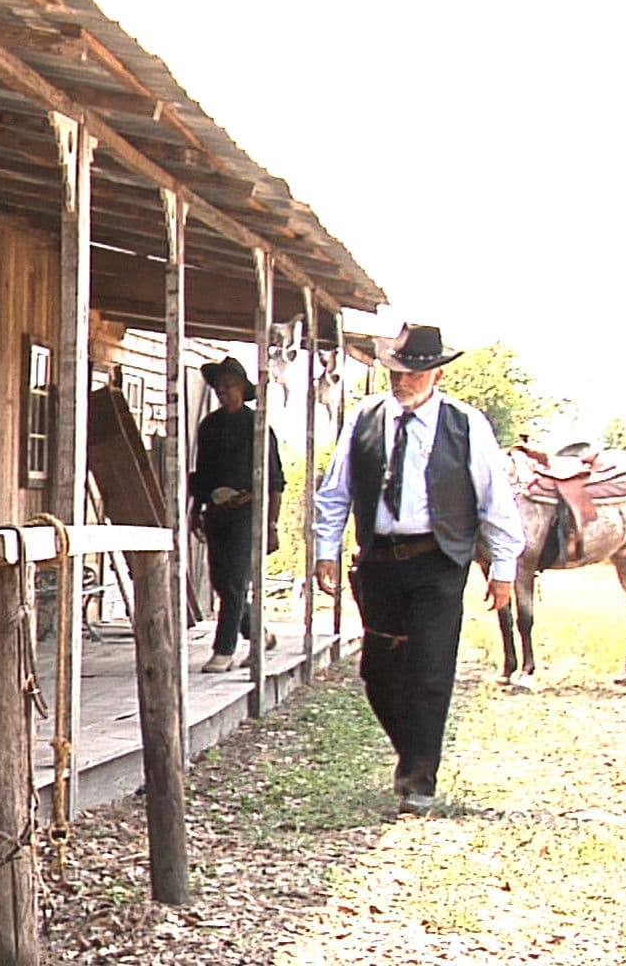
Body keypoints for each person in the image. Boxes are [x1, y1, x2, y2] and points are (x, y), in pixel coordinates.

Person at [312, 323, 524, 815]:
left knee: (429, 670)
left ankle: (418, 781)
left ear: (437, 374)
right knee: (379, 672)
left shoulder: (465, 424)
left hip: (438, 561)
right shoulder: (365, 419)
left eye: (414, 373)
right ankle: (414, 751)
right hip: (381, 561)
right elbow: (335, 491)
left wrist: (504, 565)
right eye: (397, 372)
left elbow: (495, 498)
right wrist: (327, 549)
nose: (403, 382)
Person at [189, 356, 286, 673]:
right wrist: (196, 511)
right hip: (217, 512)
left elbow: (275, 481)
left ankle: (224, 651)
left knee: (235, 583)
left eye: (229, 385)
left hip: (247, 514)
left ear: (242, 388)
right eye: (219, 386)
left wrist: (271, 524)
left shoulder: (258, 427)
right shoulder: (209, 427)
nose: (223, 391)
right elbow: (201, 476)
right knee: (221, 581)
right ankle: (259, 635)